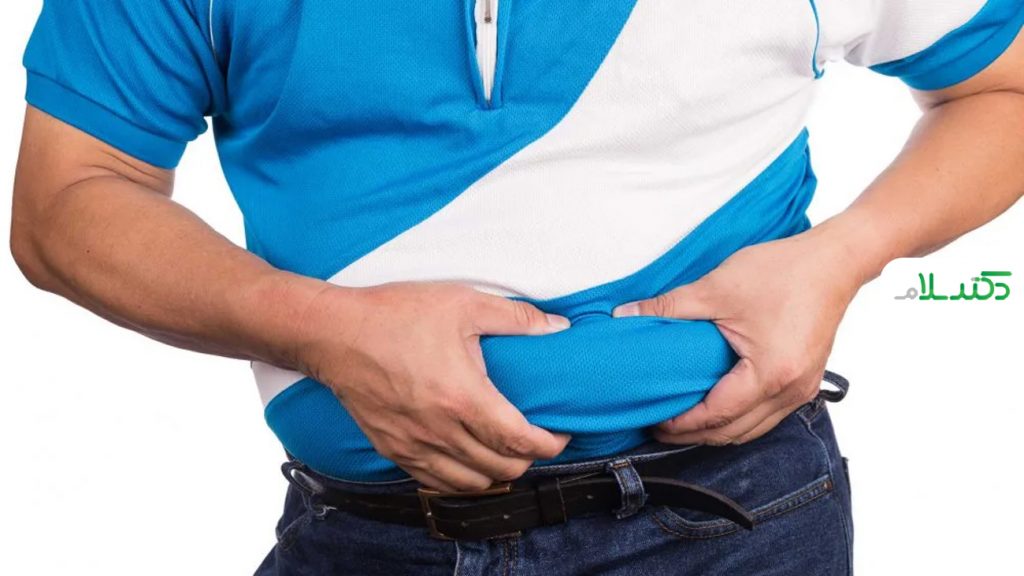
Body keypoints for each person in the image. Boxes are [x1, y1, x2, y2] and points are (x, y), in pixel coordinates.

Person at [11, 1, 1024, 574]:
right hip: (365, 536)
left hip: (735, 521)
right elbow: (68, 200)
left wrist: (845, 255)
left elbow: (1003, 83)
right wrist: (318, 328)